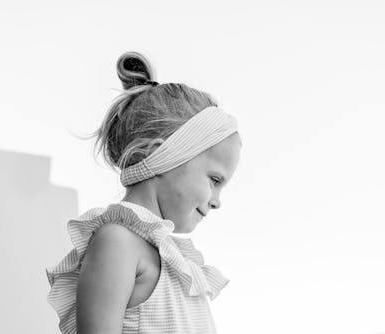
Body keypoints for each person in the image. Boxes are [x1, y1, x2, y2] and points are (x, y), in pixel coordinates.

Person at [45, 51, 242, 334]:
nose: (217, 201)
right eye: (214, 179)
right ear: (162, 154)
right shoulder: (118, 242)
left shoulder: (174, 262)